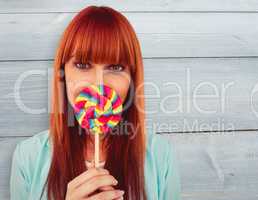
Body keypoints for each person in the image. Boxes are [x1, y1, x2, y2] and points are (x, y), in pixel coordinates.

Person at [10, 5, 181, 200]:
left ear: (132, 80)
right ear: (63, 74)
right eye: (82, 65)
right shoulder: (27, 157)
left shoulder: (161, 156)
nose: (97, 83)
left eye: (115, 67)